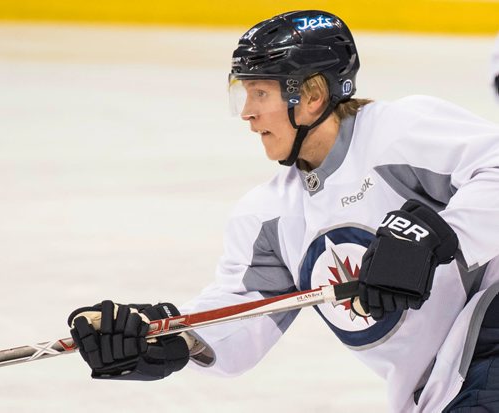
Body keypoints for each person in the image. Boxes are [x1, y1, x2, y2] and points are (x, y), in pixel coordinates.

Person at [67, 10, 499, 412]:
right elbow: (240, 317)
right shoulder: (270, 216)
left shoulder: (396, 132)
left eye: (260, 92)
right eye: (243, 92)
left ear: (312, 95)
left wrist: (430, 236)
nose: (248, 114)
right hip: (444, 390)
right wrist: (165, 338)